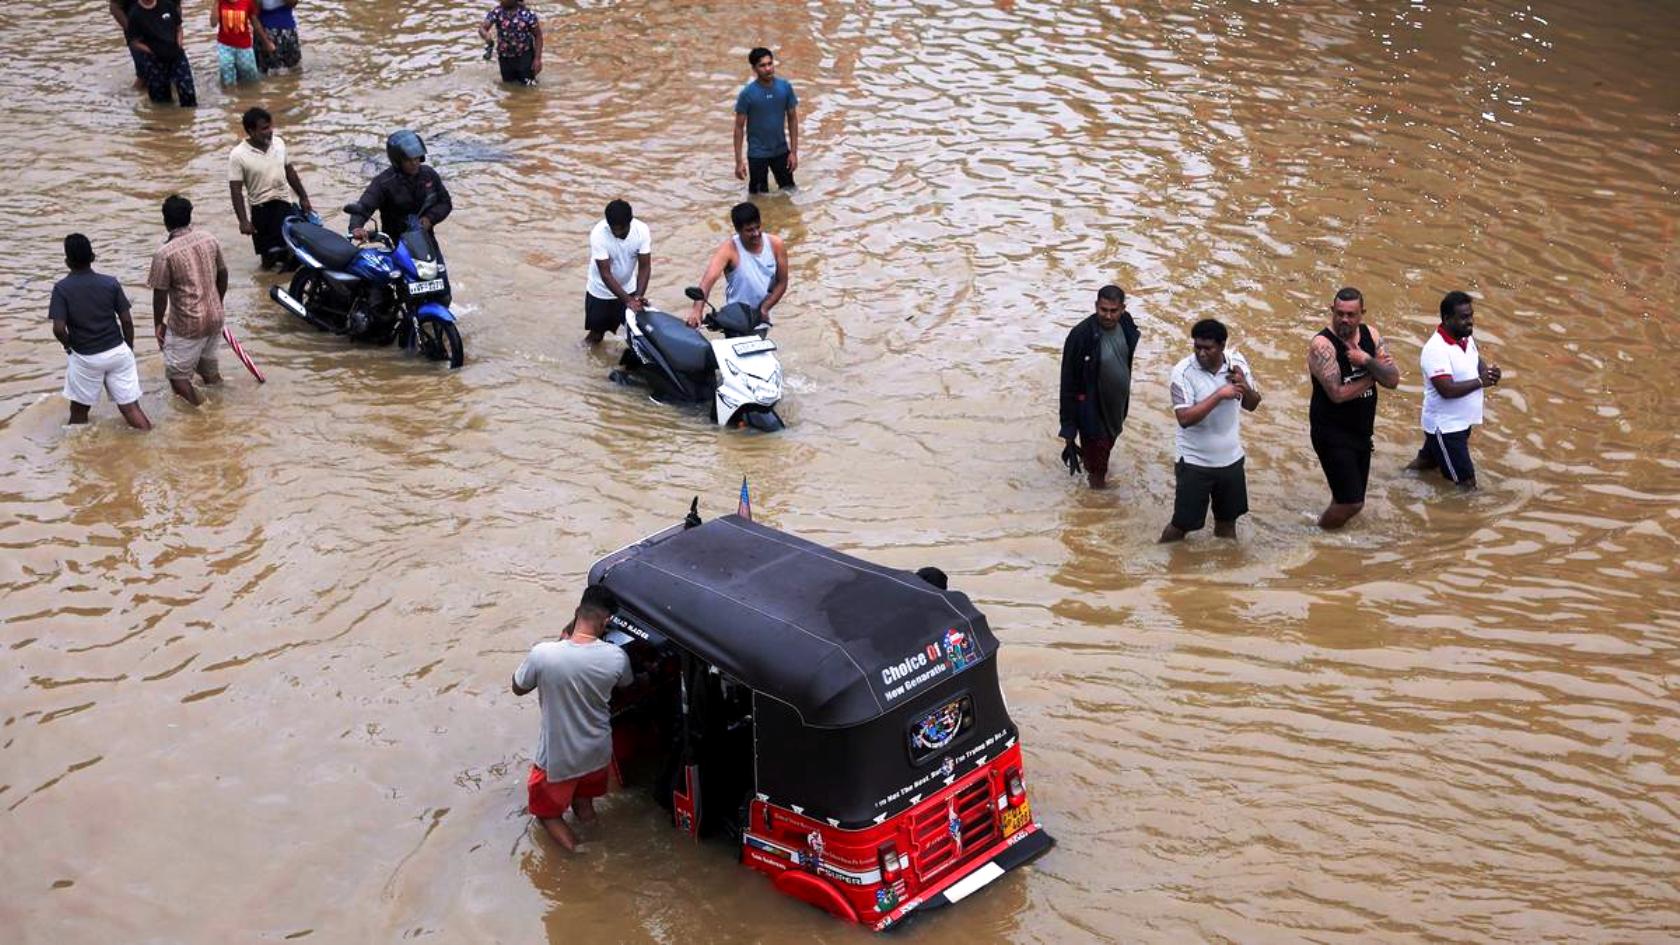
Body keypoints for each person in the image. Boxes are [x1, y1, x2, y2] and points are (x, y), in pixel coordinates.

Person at [511, 586, 634, 852]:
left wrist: (558, 644)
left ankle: (579, 857)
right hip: (597, 752)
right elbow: (626, 684)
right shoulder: (616, 657)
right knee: (583, 804)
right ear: (607, 622)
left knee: (546, 814)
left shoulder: (544, 654)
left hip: (559, 756)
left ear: (577, 612)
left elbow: (518, 687)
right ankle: (597, 841)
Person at [1160, 319, 1263, 542]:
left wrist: (1245, 386)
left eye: (1208, 347)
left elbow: (1252, 404)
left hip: (1231, 461)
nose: (1201, 353)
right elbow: (1184, 419)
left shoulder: (1237, 363)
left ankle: (1227, 570)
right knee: (1182, 525)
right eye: (1197, 346)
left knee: (1227, 524)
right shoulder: (1183, 372)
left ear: (1222, 345)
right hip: (1195, 462)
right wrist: (1219, 395)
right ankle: (1161, 562)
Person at [1307, 287, 1400, 529]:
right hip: (1331, 432)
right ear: (1332, 311)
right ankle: (1319, 536)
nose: (1344, 320)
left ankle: (1334, 537)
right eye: (1339, 313)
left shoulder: (1371, 334)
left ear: (1362, 314)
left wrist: (1367, 360)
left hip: (1361, 431)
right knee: (1353, 503)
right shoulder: (1323, 346)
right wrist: (1373, 373)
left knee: (1345, 496)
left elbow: (1393, 380)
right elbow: (1337, 394)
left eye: (1351, 314)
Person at [49, 235, 151, 431]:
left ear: (67, 262)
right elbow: (127, 322)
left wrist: (68, 346)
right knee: (130, 408)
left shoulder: (61, 289)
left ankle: (78, 456)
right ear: (93, 256)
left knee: (79, 413)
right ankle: (151, 442)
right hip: (118, 352)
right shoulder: (110, 283)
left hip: (86, 357)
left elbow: (59, 329)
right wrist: (128, 347)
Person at [1407, 291, 1501, 489]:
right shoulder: (1436, 350)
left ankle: (1396, 480)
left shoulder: (1465, 338)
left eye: (1471, 315)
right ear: (1447, 319)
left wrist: (1489, 374)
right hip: (1446, 427)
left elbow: (1476, 362)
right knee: (1466, 484)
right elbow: (1446, 390)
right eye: (1464, 317)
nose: (1470, 321)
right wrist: (1480, 381)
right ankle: (1460, 518)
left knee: (1427, 464)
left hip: (1461, 422)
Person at [146, 196, 228, 406]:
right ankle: (222, 405)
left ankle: (202, 413)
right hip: (215, 317)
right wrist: (218, 302)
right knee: (209, 372)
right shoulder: (209, 239)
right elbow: (223, 273)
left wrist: (158, 324)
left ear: (165, 221)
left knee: (178, 378)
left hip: (187, 324)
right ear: (189, 216)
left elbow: (160, 293)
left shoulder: (164, 254)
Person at [1058, 285, 1141, 489]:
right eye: (1103, 310)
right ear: (1096, 306)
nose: (1108, 316)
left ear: (1123, 308)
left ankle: (1093, 467)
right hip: (1093, 414)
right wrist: (1069, 429)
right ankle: (1097, 503)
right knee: (1097, 473)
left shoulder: (1126, 324)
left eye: (1114, 311)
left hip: (1117, 410)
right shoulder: (1081, 336)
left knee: (1101, 454)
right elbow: (1068, 383)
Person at [228, 107, 313, 270]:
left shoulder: (279, 144)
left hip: (285, 204)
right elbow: (236, 190)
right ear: (251, 131)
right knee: (268, 261)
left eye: (270, 126)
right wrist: (243, 221)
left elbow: (290, 171)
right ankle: (266, 290)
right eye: (264, 128)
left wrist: (303, 197)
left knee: (295, 255)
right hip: (262, 211)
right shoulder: (238, 155)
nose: (270, 131)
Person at [687, 202, 788, 328]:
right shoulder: (728, 249)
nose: (756, 233)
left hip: (763, 316)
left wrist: (765, 308)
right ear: (738, 230)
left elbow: (782, 282)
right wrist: (697, 310)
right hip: (736, 318)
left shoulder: (776, 244)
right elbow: (707, 282)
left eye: (758, 227)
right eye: (749, 230)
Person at [348, 131, 453, 248]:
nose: (414, 163)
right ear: (398, 161)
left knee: (439, 267)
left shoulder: (429, 175)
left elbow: (445, 203)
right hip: (396, 244)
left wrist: (430, 218)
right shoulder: (384, 183)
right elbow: (365, 206)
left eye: (416, 158)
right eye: (408, 160)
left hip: (426, 242)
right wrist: (356, 227)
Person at [584, 200, 651, 345]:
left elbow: (644, 266)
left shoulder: (642, 231)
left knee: (636, 333)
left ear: (630, 222)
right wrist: (628, 301)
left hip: (629, 288)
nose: (616, 234)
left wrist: (638, 297)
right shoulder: (598, 234)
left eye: (621, 230)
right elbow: (606, 275)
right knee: (596, 336)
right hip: (600, 292)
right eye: (613, 229)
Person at [734, 47, 800, 194]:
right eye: (762, 65)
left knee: (790, 191)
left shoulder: (785, 88)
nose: (768, 68)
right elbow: (739, 127)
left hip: (781, 151)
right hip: (757, 154)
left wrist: (794, 152)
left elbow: (793, 119)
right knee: (758, 197)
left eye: (770, 63)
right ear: (754, 69)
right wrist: (739, 161)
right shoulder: (747, 94)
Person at [124, 0, 197, 107]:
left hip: (177, 56)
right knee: (161, 102)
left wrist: (179, 44)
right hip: (154, 60)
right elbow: (134, 42)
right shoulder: (135, 14)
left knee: (188, 92)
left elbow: (179, 28)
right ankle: (164, 121)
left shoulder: (167, 5)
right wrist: (151, 51)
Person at [478, 0, 543, 86]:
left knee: (529, 85)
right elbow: (482, 28)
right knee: (509, 86)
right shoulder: (497, 12)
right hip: (505, 58)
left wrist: (537, 59)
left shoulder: (527, 14)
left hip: (525, 56)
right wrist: (486, 36)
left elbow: (538, 36)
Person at [213, 0, 273, 86]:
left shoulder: (247, 1)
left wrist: (266, 42)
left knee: (251, 79)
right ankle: (230, 96)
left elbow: (255, 23)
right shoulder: (221, 2)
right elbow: (213, 23)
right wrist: (216, 3)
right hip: (225, 46)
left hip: (244, 46)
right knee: (226, 73)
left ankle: (247, 97)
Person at [254, 0, 302, 73]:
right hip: (267, 34)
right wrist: (265, 41)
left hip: (288, 32)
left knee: (295, 70)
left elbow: (293, 3)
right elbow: (253, 17)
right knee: (269, 73)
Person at [108, 0, 147, 90]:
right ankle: (132, 98)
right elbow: (114, 7)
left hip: (165, 28)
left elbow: (176, 5)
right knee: (144, 73)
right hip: (137, 33)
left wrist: (177, 28)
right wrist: (132, 30)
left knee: (170, 70)